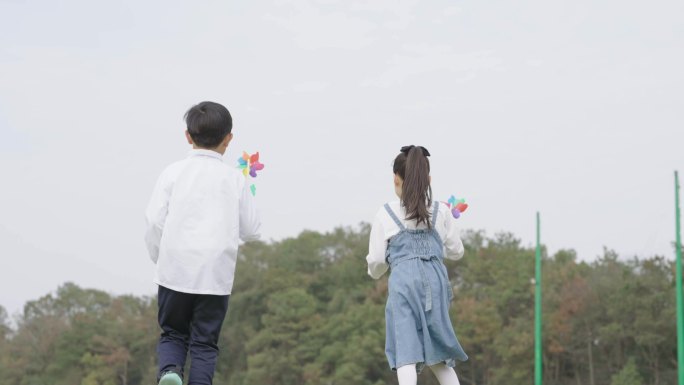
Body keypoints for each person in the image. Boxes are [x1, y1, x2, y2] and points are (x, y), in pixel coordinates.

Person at [144, 101, 261, 385]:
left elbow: (154, 221)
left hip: (175, 268)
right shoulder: (236, 179)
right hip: (215, 275)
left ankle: (170, 372)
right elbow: (252, 230)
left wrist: (159, 256)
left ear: (187, 135)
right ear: (229, 138)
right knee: (205, 343)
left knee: (173, 333)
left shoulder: (172, 172)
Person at [366, 145, 468, 385]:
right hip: (435, 281)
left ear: (396, 179)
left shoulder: (386, 213)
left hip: (404, 282)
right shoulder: (441, 211)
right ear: (428, 179)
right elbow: (456, 252)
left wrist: (375, 271)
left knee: (406, 353)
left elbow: (378, 261)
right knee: (439, 355)